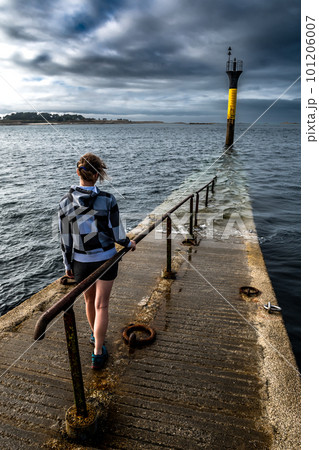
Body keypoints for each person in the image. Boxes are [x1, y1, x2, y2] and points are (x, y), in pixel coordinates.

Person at [58, 153, 136, 369]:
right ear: (98, 175)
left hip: (81, 262)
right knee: (102, 305)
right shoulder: (108, 199)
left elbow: (65, 239)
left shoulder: (65, 202)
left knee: (89, 302)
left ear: (78, 172)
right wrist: (128, 244)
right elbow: (117, 233)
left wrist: (67, 266)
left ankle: (95, 335)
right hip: (106, 259)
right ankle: (98, 351)